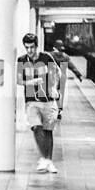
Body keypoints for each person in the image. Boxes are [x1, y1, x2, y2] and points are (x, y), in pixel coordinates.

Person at [17, 32, 61, 173]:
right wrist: (31, 81)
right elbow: (18, 80)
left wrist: (54, 87)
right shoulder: (21, 60)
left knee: (48, 132)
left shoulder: (46, 57)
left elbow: (57, 72)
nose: (29, 50)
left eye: (32, 47)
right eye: (27, 47)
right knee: (36, 127)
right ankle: (45, 159)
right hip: (32, 101)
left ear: (37, 46)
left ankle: (48, 160)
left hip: (48, 100)